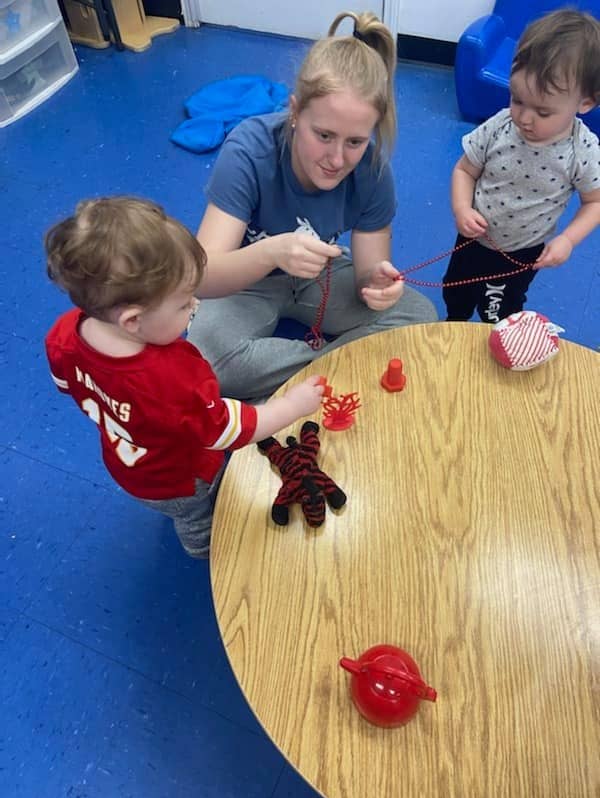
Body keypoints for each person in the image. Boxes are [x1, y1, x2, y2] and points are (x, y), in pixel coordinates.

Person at [44, 197, 324, 559]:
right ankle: (204, 548)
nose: (195, 306)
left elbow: (66, 383)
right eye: (182, 303)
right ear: (132, 320)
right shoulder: (173, 378)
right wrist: (291, 405)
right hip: (180, 481)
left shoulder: (65, 333)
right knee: (195, 517)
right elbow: (227, 430)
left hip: (127, 464)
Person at [187, 10, 437, 402]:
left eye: (355, 141)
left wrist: (378, 286)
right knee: (204, 360)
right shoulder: (249, 151)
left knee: (418, 317)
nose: (337, 159)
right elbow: (201, 275)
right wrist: (271, 251)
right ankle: (340, 365)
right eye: (323, 135)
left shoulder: (372, 171)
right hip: (246, 279)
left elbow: (367, 276)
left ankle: (294, 385)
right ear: (294, 112)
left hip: (319, 275)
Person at [443, 9, 600, 324]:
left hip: (523, 251)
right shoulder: (501, 125)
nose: (525, 118)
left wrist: (568, 240)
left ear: (585, 103)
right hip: (473, 237)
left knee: (500, 312)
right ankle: (455, 326)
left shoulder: (582, 150)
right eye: (517, 100)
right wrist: (462, 209)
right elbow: (464, 170)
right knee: (455, 293)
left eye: (543, 112)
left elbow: (594, 202)